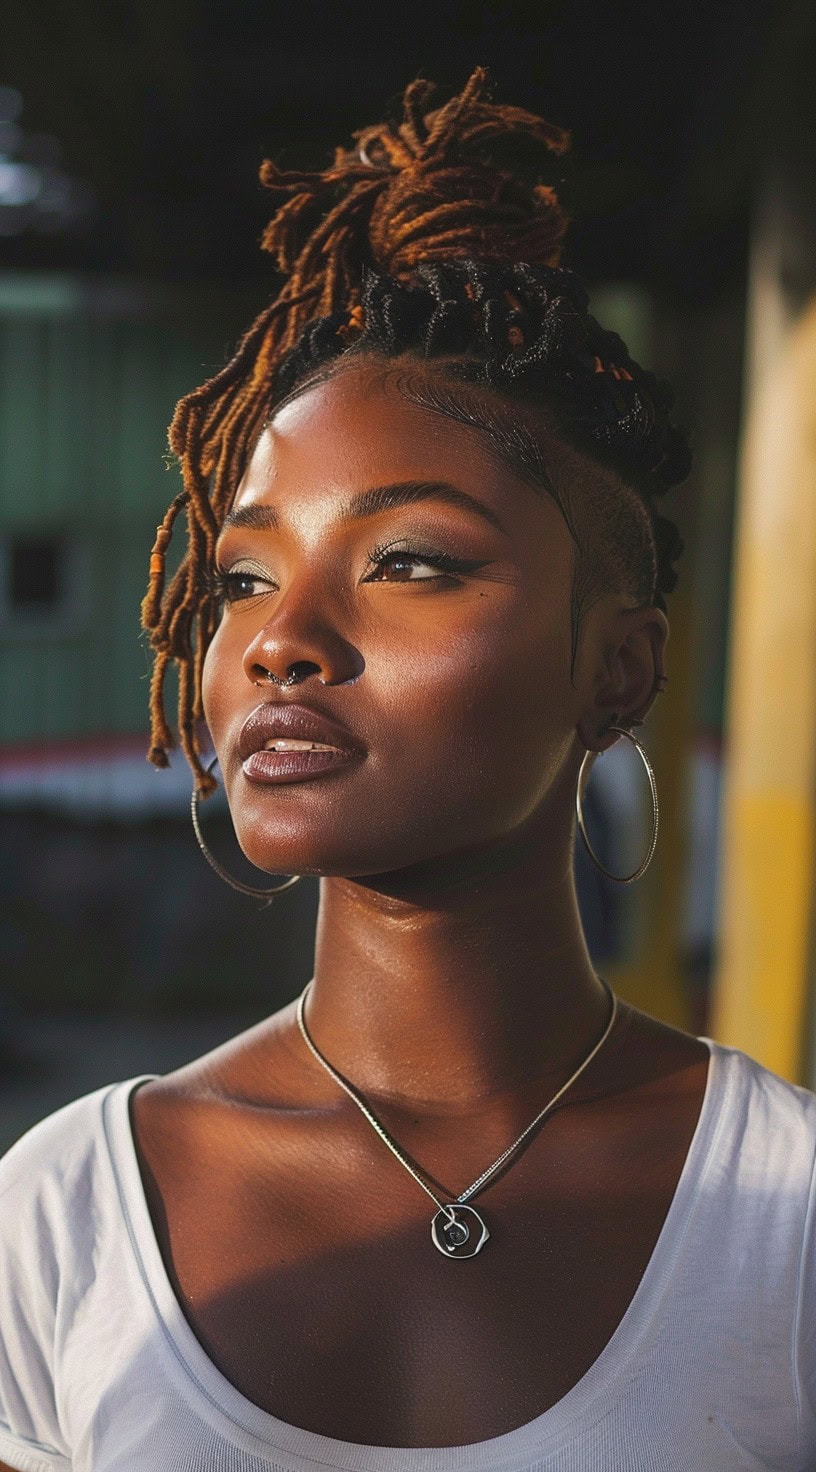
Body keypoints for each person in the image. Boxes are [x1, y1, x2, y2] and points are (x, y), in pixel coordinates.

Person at [1, 67, 815, 1472]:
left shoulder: (785, 1214)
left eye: (409, 562)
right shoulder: (66, 1213)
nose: (280, 642)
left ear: (616, 669)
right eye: (245, 576)